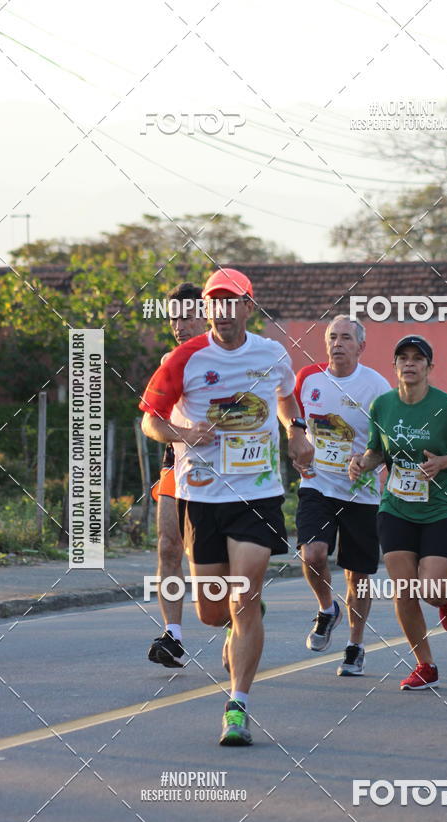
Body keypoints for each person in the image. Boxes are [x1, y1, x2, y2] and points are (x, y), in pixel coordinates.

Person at [140, 268, 312, 745]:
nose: (223, 311)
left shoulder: (271, 354)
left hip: (256, 493)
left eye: (232, 301)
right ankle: (235, 622)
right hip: (201, 496)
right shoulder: (185, 358)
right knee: (213, 613)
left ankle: (238, 706)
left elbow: (286, 399)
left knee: (245, 596)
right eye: (215, 302)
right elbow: (151, 421)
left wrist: (296, 434)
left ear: (248, 307)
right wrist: (184, 433)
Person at [349, 335, 447, 690]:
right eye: (403, 358)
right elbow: (377, 451)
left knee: (431, 590)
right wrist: (362, 462)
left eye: (417, 358)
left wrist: (442, 462)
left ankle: (446, 598)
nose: (410, 363)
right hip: (396, 507)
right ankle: (425, 665)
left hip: (441, 507)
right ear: (394, 366)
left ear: (428, 367)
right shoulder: (382, 406)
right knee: (404, 589)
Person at [295, 315, 391, 675]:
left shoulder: (377, 387)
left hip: (360, 494)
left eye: (346, 338)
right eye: (332, 337)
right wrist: (296, 448)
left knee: (357, 576)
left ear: (361, 346)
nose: (338, 344)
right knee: (313, 554)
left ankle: (355, 645)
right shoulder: (309, 379)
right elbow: (293, 423)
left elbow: (388, 444)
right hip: (317, 485)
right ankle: (326, 609)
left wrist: (366, 461)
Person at [147, 283, 205, 668]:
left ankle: (239, 613)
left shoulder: (230, 356)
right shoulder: (170, 360)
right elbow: (153, 418)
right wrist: (182, 434)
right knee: (168, 545)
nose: (179, 326)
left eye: (187, 317)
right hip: (178, 460)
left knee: (206, 558)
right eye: (173, 319)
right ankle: (173, 636)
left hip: (226, 467)